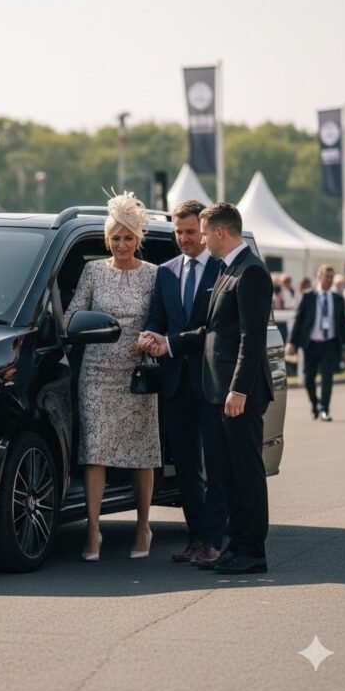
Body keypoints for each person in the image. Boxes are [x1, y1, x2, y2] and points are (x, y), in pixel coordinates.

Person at [142, 203, 274, 575]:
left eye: (200, 230)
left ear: (218, 232)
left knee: (246, 474)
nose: (196, 238)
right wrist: (168, 344)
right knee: (231, 474)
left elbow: (252, 340)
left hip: (238, 393)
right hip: (222, 390)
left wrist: (239, 390)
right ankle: (235, 547)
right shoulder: (232, 269)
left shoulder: (250, 273)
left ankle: (252, 552)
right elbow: (212, 331)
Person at [65, 192, 159, 561]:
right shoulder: (93, 272)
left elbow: (159, 319)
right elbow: (73, 315)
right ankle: (93, 530)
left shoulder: (154, 275)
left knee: (142, 453)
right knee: (95, 453)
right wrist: (86, 327)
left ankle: (143, 526)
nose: (122, 245)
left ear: (138, 239)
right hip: (96, 371)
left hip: (136, 372)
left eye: (128, 238)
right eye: (116, 238)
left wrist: (147, 339)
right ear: (107, 239)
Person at [143, 199, 225, 566]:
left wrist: (171, 343)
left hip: (212, 382)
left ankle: (214, 540)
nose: (184, 238)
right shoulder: (166, 272)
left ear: (205, 232)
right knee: (187, 467)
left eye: (191, 231)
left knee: (217, 465)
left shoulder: (224, 270)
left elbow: (218, 329)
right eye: (179, 232)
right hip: (175, 385)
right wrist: (147, 337)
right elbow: (156, 319)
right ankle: (195, 539)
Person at [286, 264, 345, 421]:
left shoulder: (338, 298)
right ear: (319, 277)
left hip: (330, 343)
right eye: (326, 276)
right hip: (311, 344)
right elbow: (298, 320)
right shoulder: (309, 296)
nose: (329, 280)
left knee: (327, 377)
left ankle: (325, 409)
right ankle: (315, 404)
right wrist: (292, 342)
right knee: (308, 378)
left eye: (331, 277)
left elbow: (343, 323)